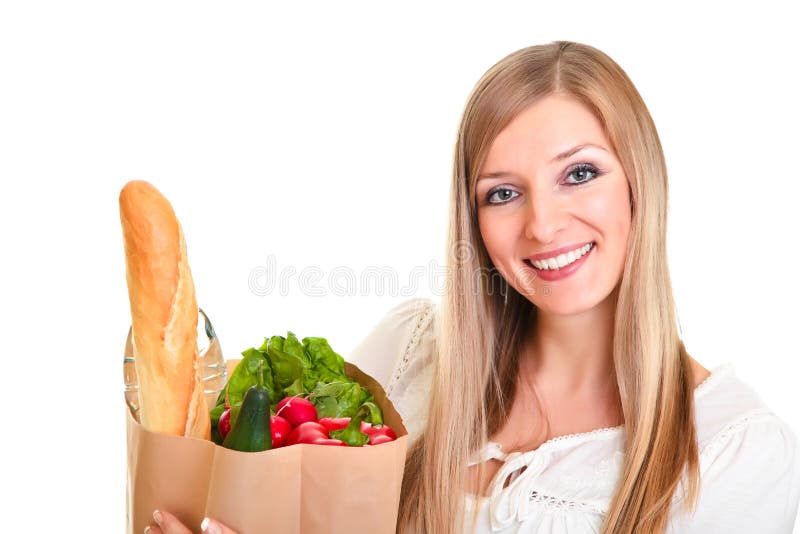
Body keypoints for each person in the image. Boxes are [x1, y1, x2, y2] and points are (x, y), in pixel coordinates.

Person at [145, 40, 800, 534]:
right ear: (474, 219)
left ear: (640, 184)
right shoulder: (409, 355)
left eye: (579, 174)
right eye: (504, 193)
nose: (543, 224)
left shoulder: (732, 454)